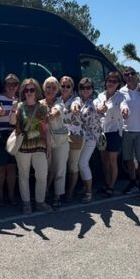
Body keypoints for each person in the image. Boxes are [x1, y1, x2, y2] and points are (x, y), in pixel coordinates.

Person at [10, 77, 51, 214]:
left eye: (32, 89)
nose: (29, 92)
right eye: (26, 90)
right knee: (23, 176)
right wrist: (12, 110)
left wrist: (49, 147)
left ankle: (40, 202)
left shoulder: (43, 108)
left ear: (36, 91)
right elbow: (11, 122)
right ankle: (26, 203)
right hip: (23, 147)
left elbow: (46, 129)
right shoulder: (20, 106)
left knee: (42, 175)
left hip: (39, 146)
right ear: (23, 91)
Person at [0, 73, 20, 206]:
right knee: (0, 169)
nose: (11, 87)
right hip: (1, 137)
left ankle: (12, 196)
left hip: (14, 137)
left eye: (14, 84)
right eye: (9, 84)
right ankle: (0, 196)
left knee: (12, 168)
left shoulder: (19, 100)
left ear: (18, 86)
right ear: (5, 86)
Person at [72, 77, 103, 202]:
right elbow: (75, 104)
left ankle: (89, 192)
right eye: (83, 88)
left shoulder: (94, 102)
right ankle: (85, 187)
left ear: (92, 89)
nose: (86, 90)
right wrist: (75, 107)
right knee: (79, 163)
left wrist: (102, 108)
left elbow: (99, 107)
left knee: (82, 163)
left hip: (90, 138)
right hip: (79, 137)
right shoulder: (77, 100)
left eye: (88, 88)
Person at [96, 71, 126, 196]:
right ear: (106, 82)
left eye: (114, 81)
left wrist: (125, 110)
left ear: (118, 84)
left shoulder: (120, 97)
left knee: (112, 160)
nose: (111, 83)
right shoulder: (101, 95)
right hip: (102, 132)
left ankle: (111, 186)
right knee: (104, 160)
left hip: (114, 131)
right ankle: (107, 183)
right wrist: (99, 108)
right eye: (109, 80)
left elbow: (124, 106)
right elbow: (96, 105)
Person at [119, 67, 140, 195]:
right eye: (126, 74)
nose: (130, 76)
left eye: (132, 74)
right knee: (129, 158)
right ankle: (132, 181)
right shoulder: (121, 92)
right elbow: (120, 105)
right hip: (126, 130)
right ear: (124, 77)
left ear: (136, 75)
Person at [42, 76, 69, 208]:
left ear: (57, 90)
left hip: (60, 141)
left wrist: (49, 115)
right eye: (48, 87)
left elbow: (55, 113)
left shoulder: (60, 103)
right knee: (45, 169)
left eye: (54, 87)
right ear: (44, 88)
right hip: (45, 142)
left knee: (59, 169)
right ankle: (44, 192)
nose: (51, 90)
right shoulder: (40, 103)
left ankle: (57, 196)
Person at [60, 75, 84, 203]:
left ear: (72, 88)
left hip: (75, 136)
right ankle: (61, 191)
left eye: (68, 86)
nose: (65, 88)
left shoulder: (76, 99)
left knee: (73, 166)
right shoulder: (57, 100)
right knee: (61, 166)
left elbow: (76, 105)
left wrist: (75, 108)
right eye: (63, 85)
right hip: (61, 138)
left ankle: (70, 191)